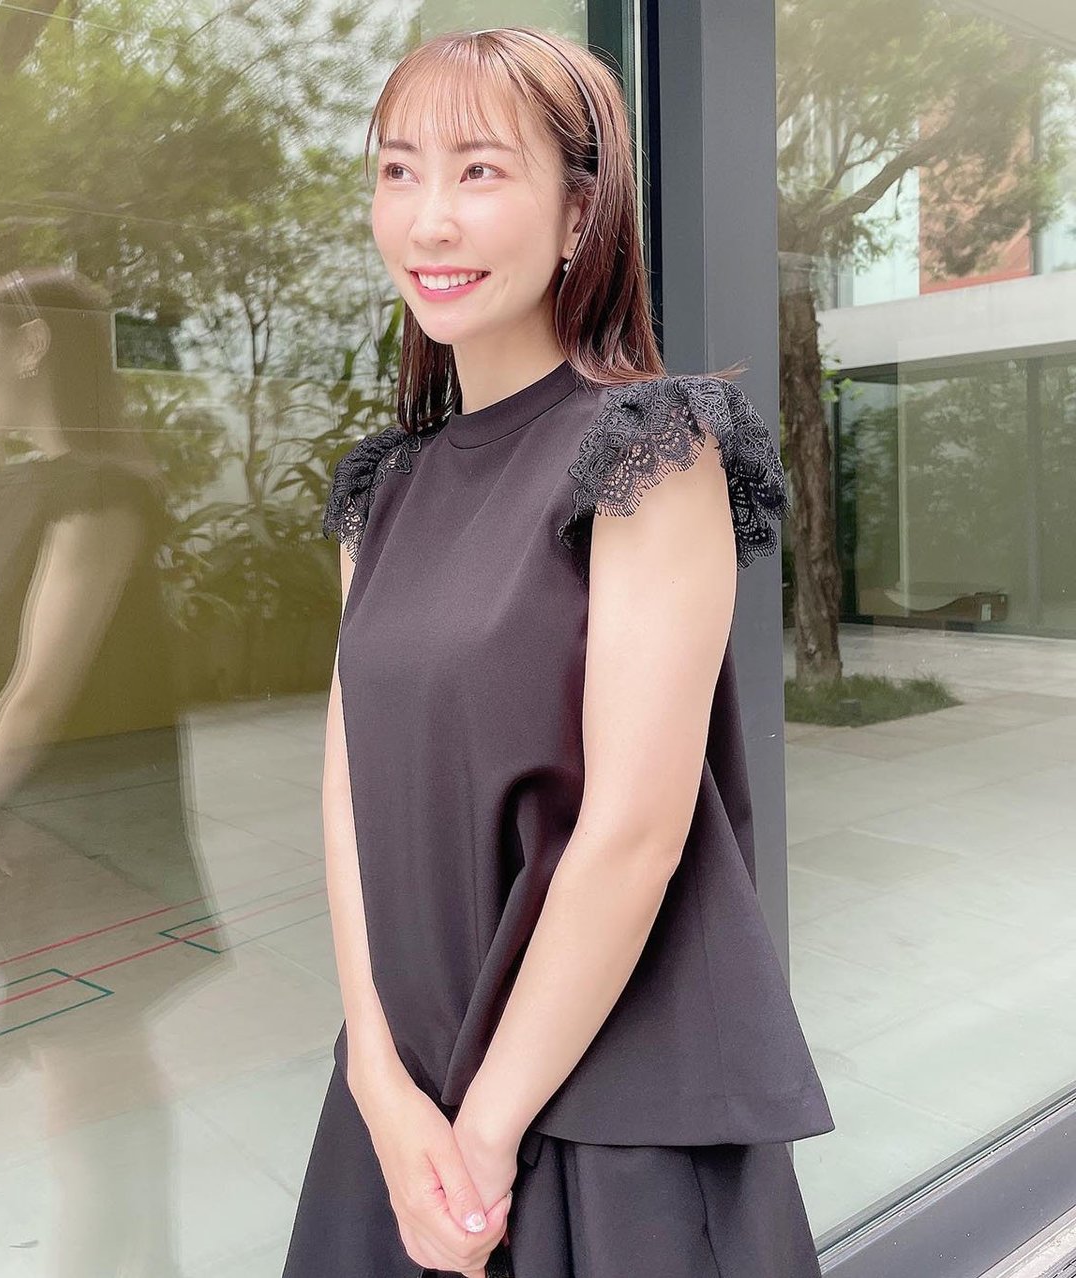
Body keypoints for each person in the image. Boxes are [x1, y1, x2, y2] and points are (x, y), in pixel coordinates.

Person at [283, 26, 834, 1278]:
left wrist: (483, 1138)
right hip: (409, 1099)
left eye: (480, 171)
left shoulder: (652, 449)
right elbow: (349, 792)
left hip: (595, 1108)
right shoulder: (385, 489)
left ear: (582, 211)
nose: (429, 218)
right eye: (398, 171)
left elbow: (634, 833)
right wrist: (375, 1074)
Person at [0, 265, 221, 1277]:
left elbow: (39, 688)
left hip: (85, 836)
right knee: (101, 1077)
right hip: (51, 826)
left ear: (30, 347)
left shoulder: (98, 492)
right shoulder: (32, 483)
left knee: (87, 1088)